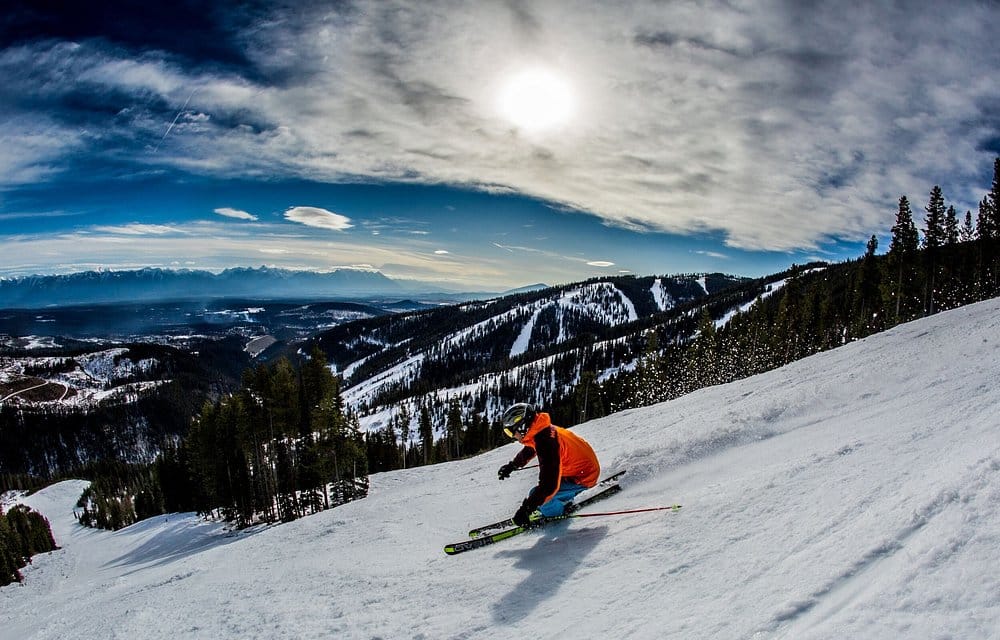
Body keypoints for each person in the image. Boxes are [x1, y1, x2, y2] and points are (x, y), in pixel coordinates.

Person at [497, 402, 600, 527]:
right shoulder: (541, 430)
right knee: (539, 495)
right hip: (581, 470)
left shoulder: (546, 442)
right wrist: (513, 465)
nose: (512, 436)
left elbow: (549, 485)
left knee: (541, 496)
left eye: (510, 432)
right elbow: (531, 448)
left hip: (583, 477)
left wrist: (527, 509)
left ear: (522, 426)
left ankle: (557, 518)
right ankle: (558, 502)